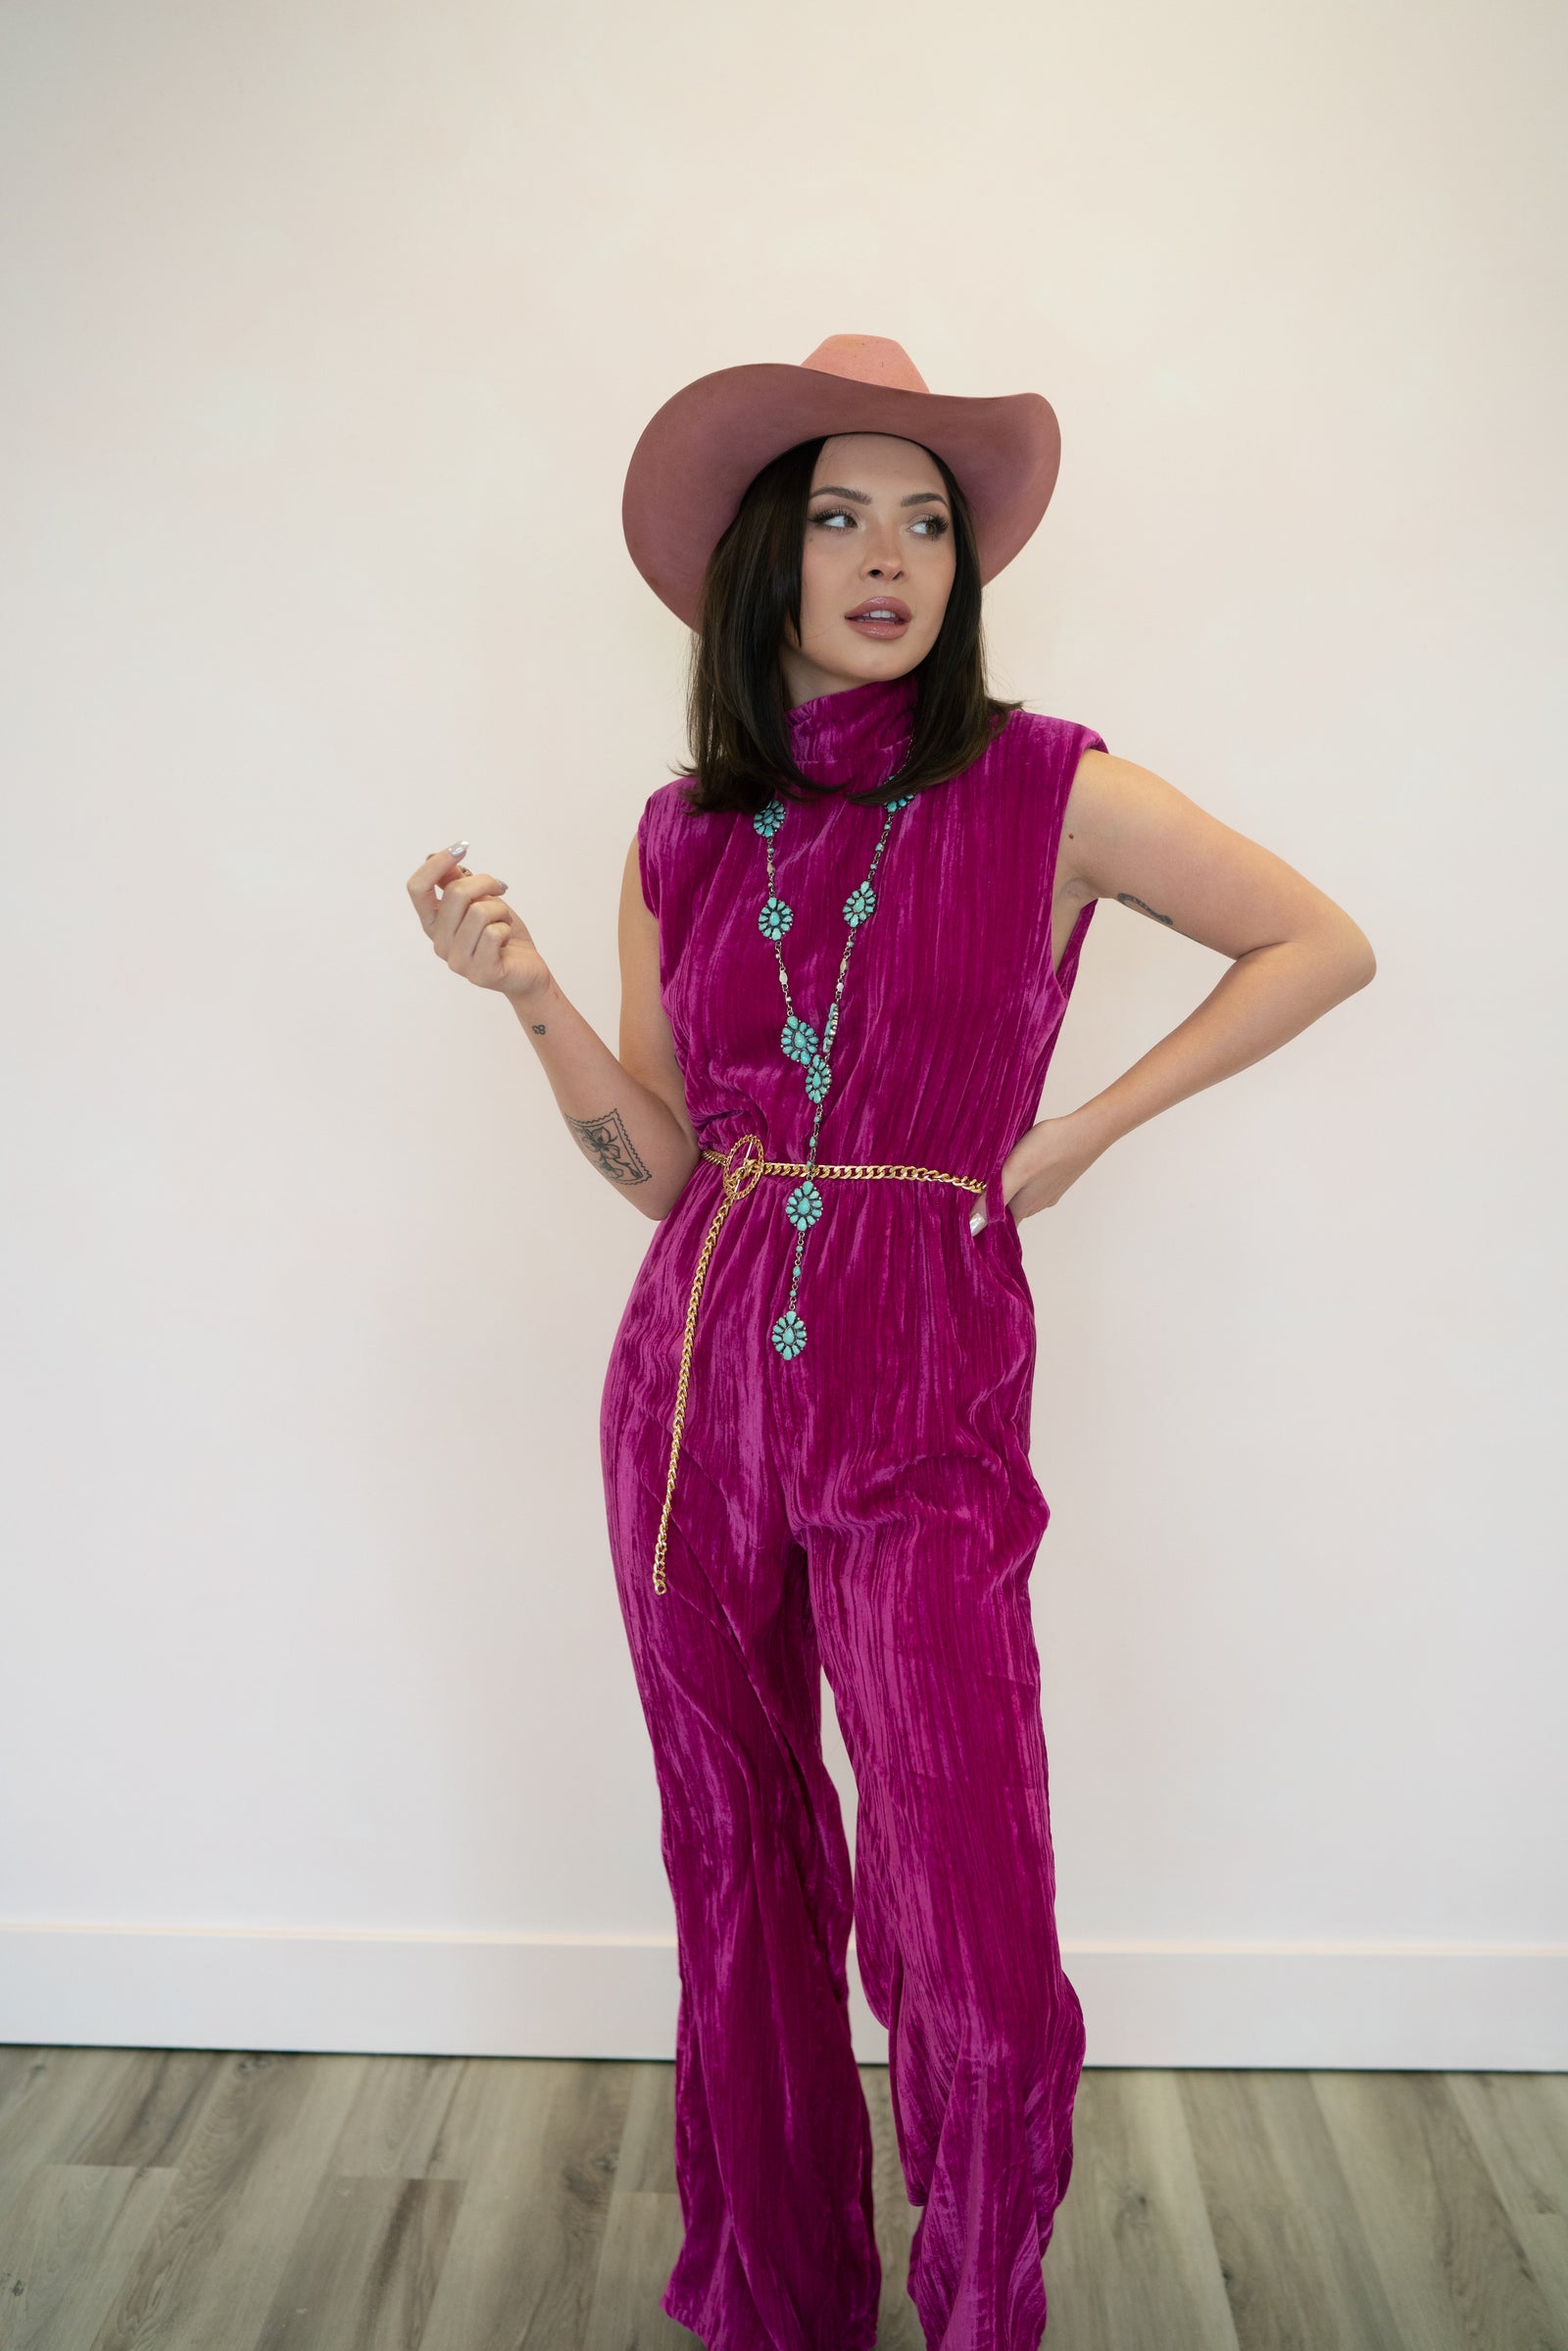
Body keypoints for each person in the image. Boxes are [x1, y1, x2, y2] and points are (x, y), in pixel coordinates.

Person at [405, 333, 1375, 2351]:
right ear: (760, 560)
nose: (886, 557)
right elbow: (664, 1171)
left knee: (967, 1906)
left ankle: (981, 2305)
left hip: (921, 1383)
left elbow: (1317, 941)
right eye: (838, 515)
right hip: (690, 1395)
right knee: (740, 1864)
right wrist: (525, 1002)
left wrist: (1079, 1133)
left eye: (923, 523)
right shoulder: (682, 832)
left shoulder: (1050, 786)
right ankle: (783, 2303)